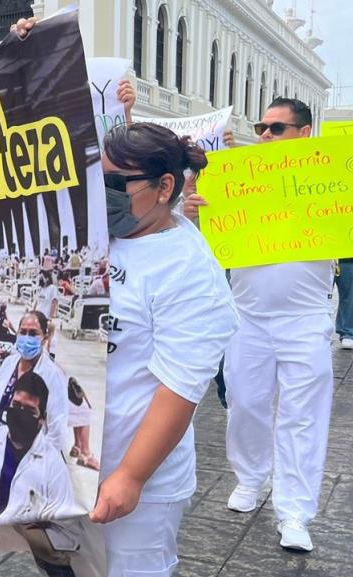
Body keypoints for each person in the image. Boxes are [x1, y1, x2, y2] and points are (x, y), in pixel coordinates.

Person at [183, 97, 335, 551]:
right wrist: (194, 213)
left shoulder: (329, 181)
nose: (265, 134)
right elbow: (199, 235)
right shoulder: (234, 180)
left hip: (305, 319)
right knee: (245, 404)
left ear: (304, 133)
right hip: (246, 317)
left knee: (303, 417)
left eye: (277, 128)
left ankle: (295, 511)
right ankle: (250, 477)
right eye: (261, 127)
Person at [95, 119, 239, 577]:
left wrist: (131, 476)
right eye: (98, 178)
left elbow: (179, 388)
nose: (105, 192)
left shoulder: (190, 272)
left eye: (117, 183)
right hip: (81, 471)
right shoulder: (106, 235)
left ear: (164, 187)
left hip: (140, 480)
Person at [0, 372, 75, 528]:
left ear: (42, 419)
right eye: (16, 405)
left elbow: (66, 530)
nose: (20, 413)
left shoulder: (54, 467)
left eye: (30, 411)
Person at [0, 311, 70, 458]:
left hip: (29, 455)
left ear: (44, 337)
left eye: (33, 333)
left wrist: (43, 461)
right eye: (23, 332)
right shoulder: (8, 364)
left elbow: (57, 429)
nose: (27, 337)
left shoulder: (53, 375)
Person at [339, 258, 353, 350]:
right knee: (320, 295)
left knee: (351, 295)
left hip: (349, 255)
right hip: (319, 254)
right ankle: (318, 332)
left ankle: (348, 333)